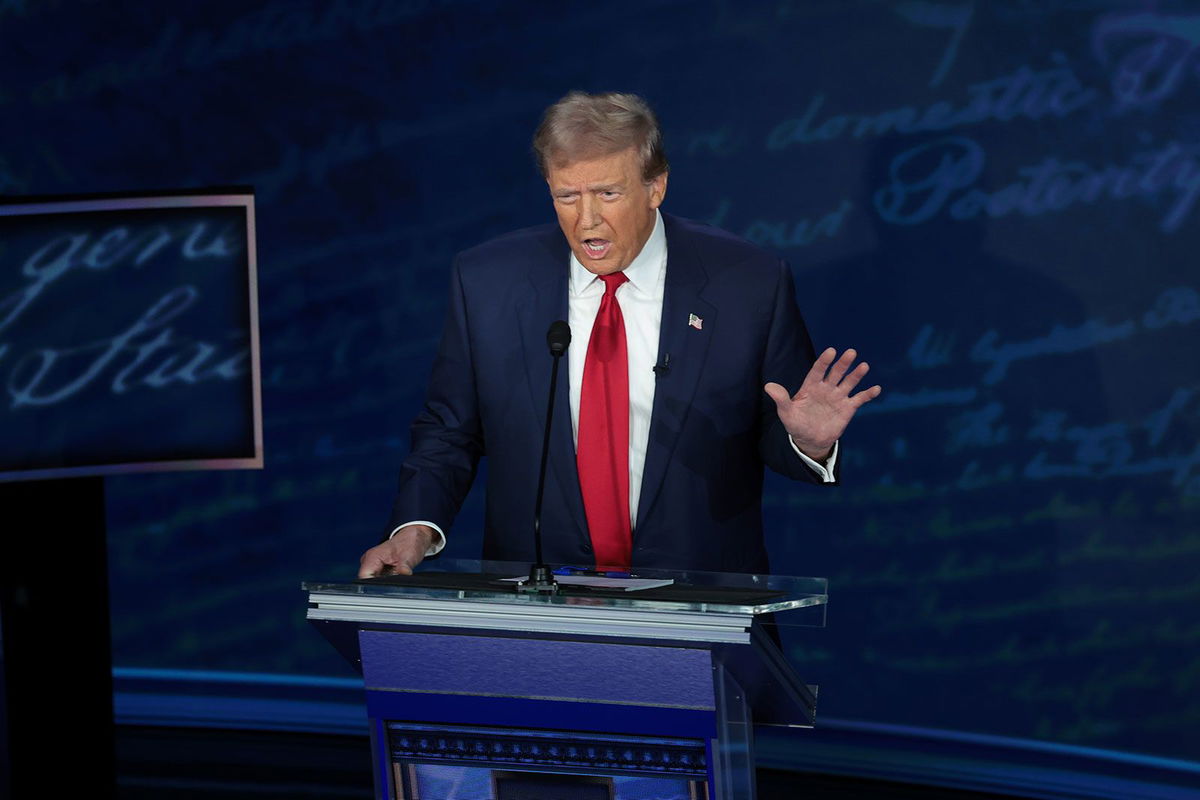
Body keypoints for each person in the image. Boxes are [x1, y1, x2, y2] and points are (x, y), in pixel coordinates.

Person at [359, 91, 880, 578]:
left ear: (656, 187)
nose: (587, 219)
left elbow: (775, 425)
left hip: (697, 605)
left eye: (607, 193)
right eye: (567, 196)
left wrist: (807, 442)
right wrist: (413, 531)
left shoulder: (748, 283)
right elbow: (449, 431)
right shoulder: (487, 281)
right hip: (538, 613)